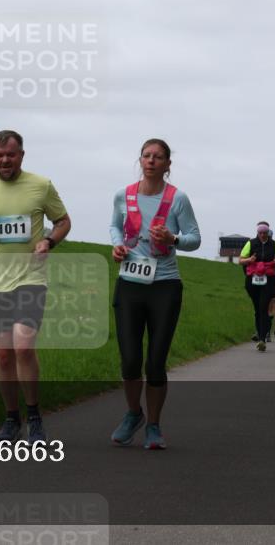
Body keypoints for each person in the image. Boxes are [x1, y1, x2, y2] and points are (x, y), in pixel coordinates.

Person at [0, 130, 71, 443]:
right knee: (4, 356)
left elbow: (63, 221)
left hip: (30, 280)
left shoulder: (41, 186)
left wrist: (49, 241)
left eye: (10, 154)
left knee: (23, 347)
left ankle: (35, 416)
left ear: (21, 155)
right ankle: (12, 420)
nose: (5, 160)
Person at [109, 139, 201, 450]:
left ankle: (154, 425)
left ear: (167, 164)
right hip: (130, 283)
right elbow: (114, 227)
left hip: (164, 284)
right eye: (147, 155)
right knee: (130, 360)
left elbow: (194, 239)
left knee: (156, 361)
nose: (151, 160)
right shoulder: (124, 195)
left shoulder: (178, 199)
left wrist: (173, 237)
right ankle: (133, 413)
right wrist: (118, 246)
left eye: (158, 157)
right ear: (140, 160)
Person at [239, 222, 275, 352]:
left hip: (268, 280)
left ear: (268, 233)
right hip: (252, 280)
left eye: (265, 233)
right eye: (260, 233)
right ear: (257, 233)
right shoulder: (250, 243)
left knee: (263, 308)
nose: (263, 235)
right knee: (258, 309)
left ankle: (262, 339)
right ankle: (260, 334)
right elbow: (240, 260)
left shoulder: (274, 244)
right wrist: (250, 260)